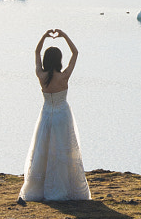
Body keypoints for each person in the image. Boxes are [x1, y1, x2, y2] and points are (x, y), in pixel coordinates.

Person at [19, 29, 92, 201]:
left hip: (46, 116)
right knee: (64, 151)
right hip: (62, 116)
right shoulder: (64, 76)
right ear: (59, 60)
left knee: (43, 150)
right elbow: (75, 53)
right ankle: (64, 188)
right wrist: (64, 35)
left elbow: (36, 52)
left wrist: (44, 36)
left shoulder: (41, 75)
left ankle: (40, 189)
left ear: (46, 60)